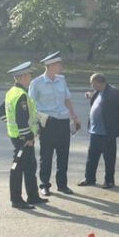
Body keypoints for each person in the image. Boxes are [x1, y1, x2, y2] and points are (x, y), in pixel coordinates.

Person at [29, 51, 82, 196]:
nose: (61, 66)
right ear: (50, 66)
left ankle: (62, 184)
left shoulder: (61, 80)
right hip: (47, 122)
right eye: (59, 64)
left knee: (63, 154)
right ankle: (44, 184)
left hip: (63, 121)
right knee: (46, 155)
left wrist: (74, 117)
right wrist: (34, 126)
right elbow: (31, 105)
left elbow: (67, 99)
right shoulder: (37, 83)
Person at [78, 73, 119, 188]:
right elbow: (97, 100)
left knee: (109, 158)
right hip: (95, 132)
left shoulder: (114, 92)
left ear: (100, 83)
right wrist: (90, 95)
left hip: (107, 132)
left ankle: (109, 181)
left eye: (93, 84)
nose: (92, 86)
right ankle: (89, 178)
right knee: (92, 158)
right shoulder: (98, 92)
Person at [5, 61, 45, 209]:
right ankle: (16, 199)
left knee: (30, 166)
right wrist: (26, 137)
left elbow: (4, 113)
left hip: (21, 136)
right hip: (22, 138)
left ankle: (33, 196)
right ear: (21, 77)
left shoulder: (13, 92)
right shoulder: (20, 95)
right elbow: (21, 119)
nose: (31, 78)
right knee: (18, 168)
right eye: (29, 75)